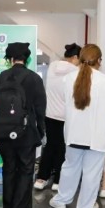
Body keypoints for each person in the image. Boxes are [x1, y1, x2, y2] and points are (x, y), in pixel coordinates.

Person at [49, 44, 105, 208]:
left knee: (69, 168)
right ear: (99, 60)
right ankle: (85, 207)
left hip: (74, 133)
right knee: (92, 173)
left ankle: (61, 200)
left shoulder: (68, 79)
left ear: (80, 59)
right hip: (97, 136)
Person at [0, 42, 46, 208]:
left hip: (3, 135)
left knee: (8, 173)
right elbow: (40, 109)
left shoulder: (1, 78)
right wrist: (41, 132)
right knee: (24, 174)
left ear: (9, 59)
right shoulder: (33, 78)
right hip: (25, 135)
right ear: (27, 58)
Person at [34, 43, 81, 191]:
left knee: (50, 146)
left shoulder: (53, 66)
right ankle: (58, 181)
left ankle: (42, 178)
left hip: (49, 114)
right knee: (62, 148)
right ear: (75, 57)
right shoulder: (76, 72)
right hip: (66, 117)